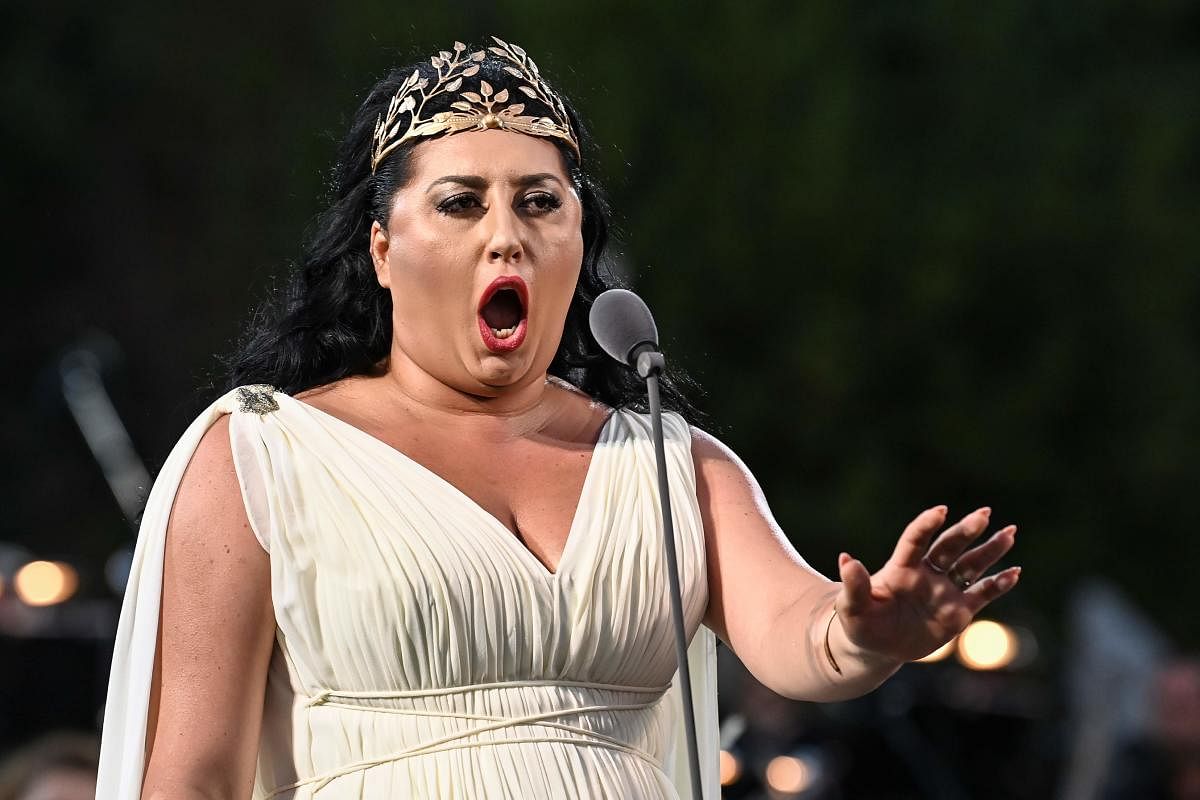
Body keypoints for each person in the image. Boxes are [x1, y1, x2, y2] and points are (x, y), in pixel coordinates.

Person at [96, 37, 1021, 799]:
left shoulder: (670, 465)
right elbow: (191, 777)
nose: (508, 232)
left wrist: (870, 634)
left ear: (579, 240)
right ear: (381, 248)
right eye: (461, 203)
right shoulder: (264, 454)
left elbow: (802, 632)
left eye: (541, 201)